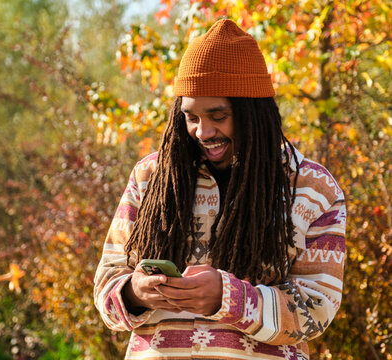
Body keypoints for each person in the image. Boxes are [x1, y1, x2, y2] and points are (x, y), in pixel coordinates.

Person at [94, 19, 346, 360]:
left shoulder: (313, 189)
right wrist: (135, 293)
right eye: (191, 116)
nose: (202, 131)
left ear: (253, 112)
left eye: (218, 115)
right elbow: (107, 283)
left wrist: (228, 298)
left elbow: (316, 310)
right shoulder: (150, 177)